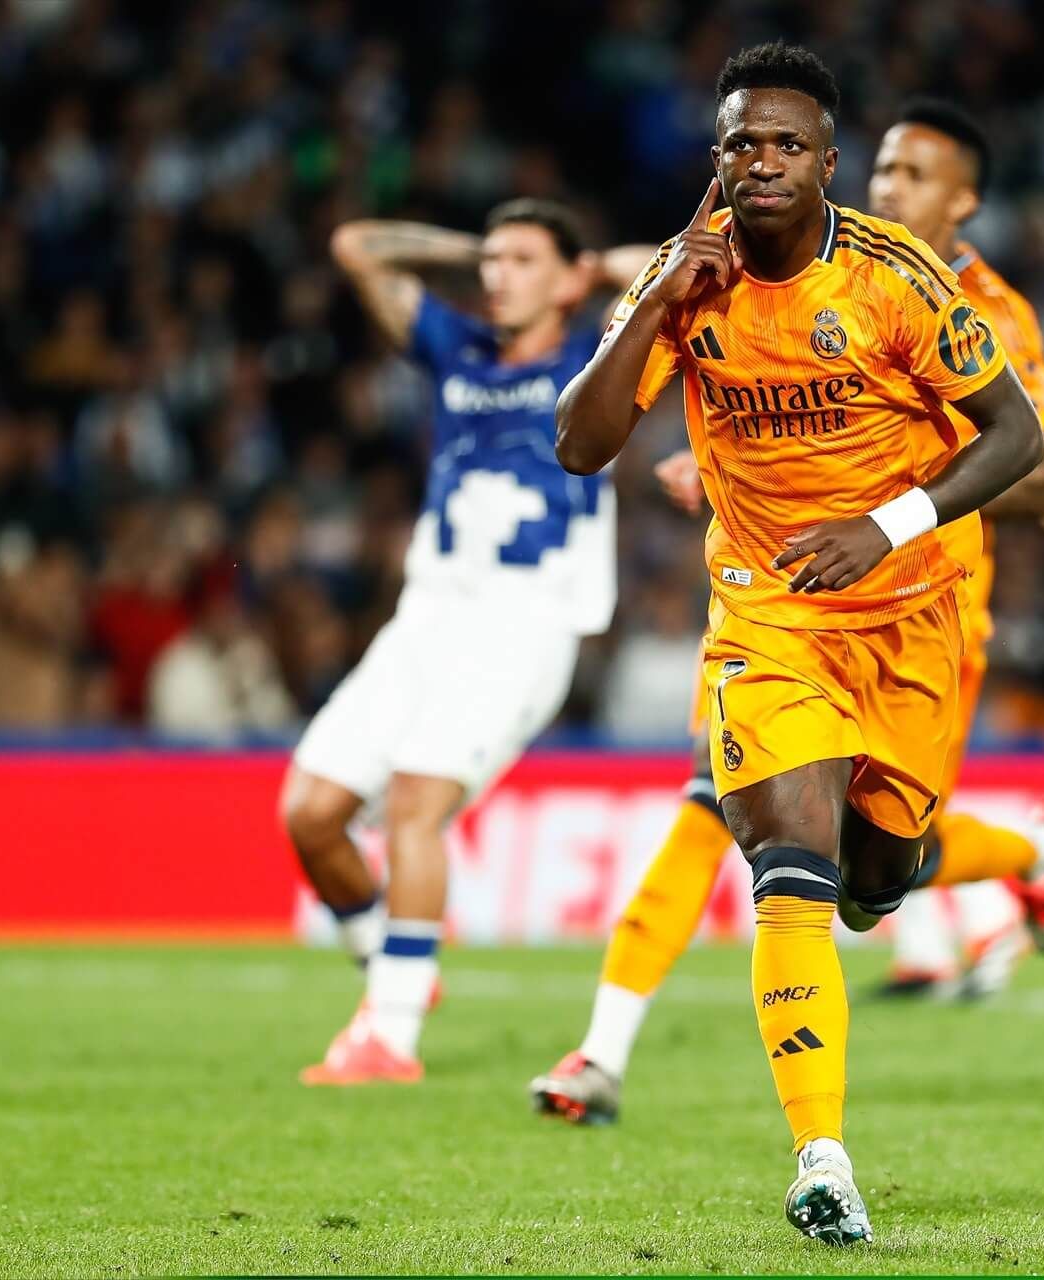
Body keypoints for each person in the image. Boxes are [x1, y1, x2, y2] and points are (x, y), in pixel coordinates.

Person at [553, 43, 1044, 1246]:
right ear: (717, 160)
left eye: (785, 145)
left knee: (881, 876)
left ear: (829, 164)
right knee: (792, 860)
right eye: (739, 144)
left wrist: (885, 524)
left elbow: (1019, 437)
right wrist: (660, 299)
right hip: (767, 614)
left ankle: (1026, 850)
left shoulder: (896, 277)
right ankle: (822, 1155)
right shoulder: (692, 276)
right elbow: (579, 440)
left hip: (910, 609)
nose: (759, 163)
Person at [283, 199, 614, 1086]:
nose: (496, 275)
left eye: (522, 260)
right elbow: (354, 241)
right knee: (309, 813)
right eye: (491, 261)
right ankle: (392, 975)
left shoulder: (603, 356)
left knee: (413, 808)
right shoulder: (458, 349)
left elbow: (699, 267)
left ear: (575, 277)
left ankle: (388, 1037)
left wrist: (594, 268)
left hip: (526, 621)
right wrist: (476, 245)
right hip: (427, 616)